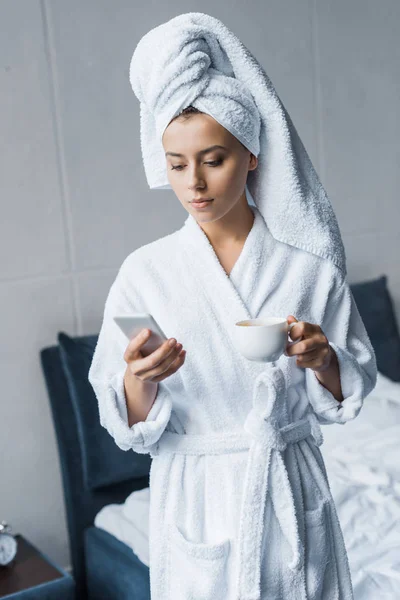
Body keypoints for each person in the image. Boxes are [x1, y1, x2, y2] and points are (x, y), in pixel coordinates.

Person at [88, 13, 378, 600]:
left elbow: (351, 390)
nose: (193, 182)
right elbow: (127, 420)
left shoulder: (308, 269)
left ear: (250, 156)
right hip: (197, 495)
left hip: (292, 484)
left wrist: (323, 360)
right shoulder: (146, 275)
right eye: (176, 164)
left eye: (213, 159)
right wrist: (140, 382)